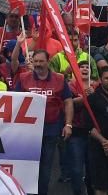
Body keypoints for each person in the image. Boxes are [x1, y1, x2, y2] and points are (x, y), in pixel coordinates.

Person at [14, 49, 74, 195]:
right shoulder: (23, 78)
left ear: (48, 62)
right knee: (28, 165)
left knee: (46, 166)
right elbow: (13, 100)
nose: (38, 64)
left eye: (41, 61)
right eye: (36, 61)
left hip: (50, 129)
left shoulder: (59, 79)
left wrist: (68, 124)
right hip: (28, 131)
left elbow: (68, 102)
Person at [88, 67, 108, 195]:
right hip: (98, 148)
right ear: (101, 80)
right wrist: (105, 143)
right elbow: (88, 125)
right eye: (106, 78)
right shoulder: (93, 98)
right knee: (101, 187)